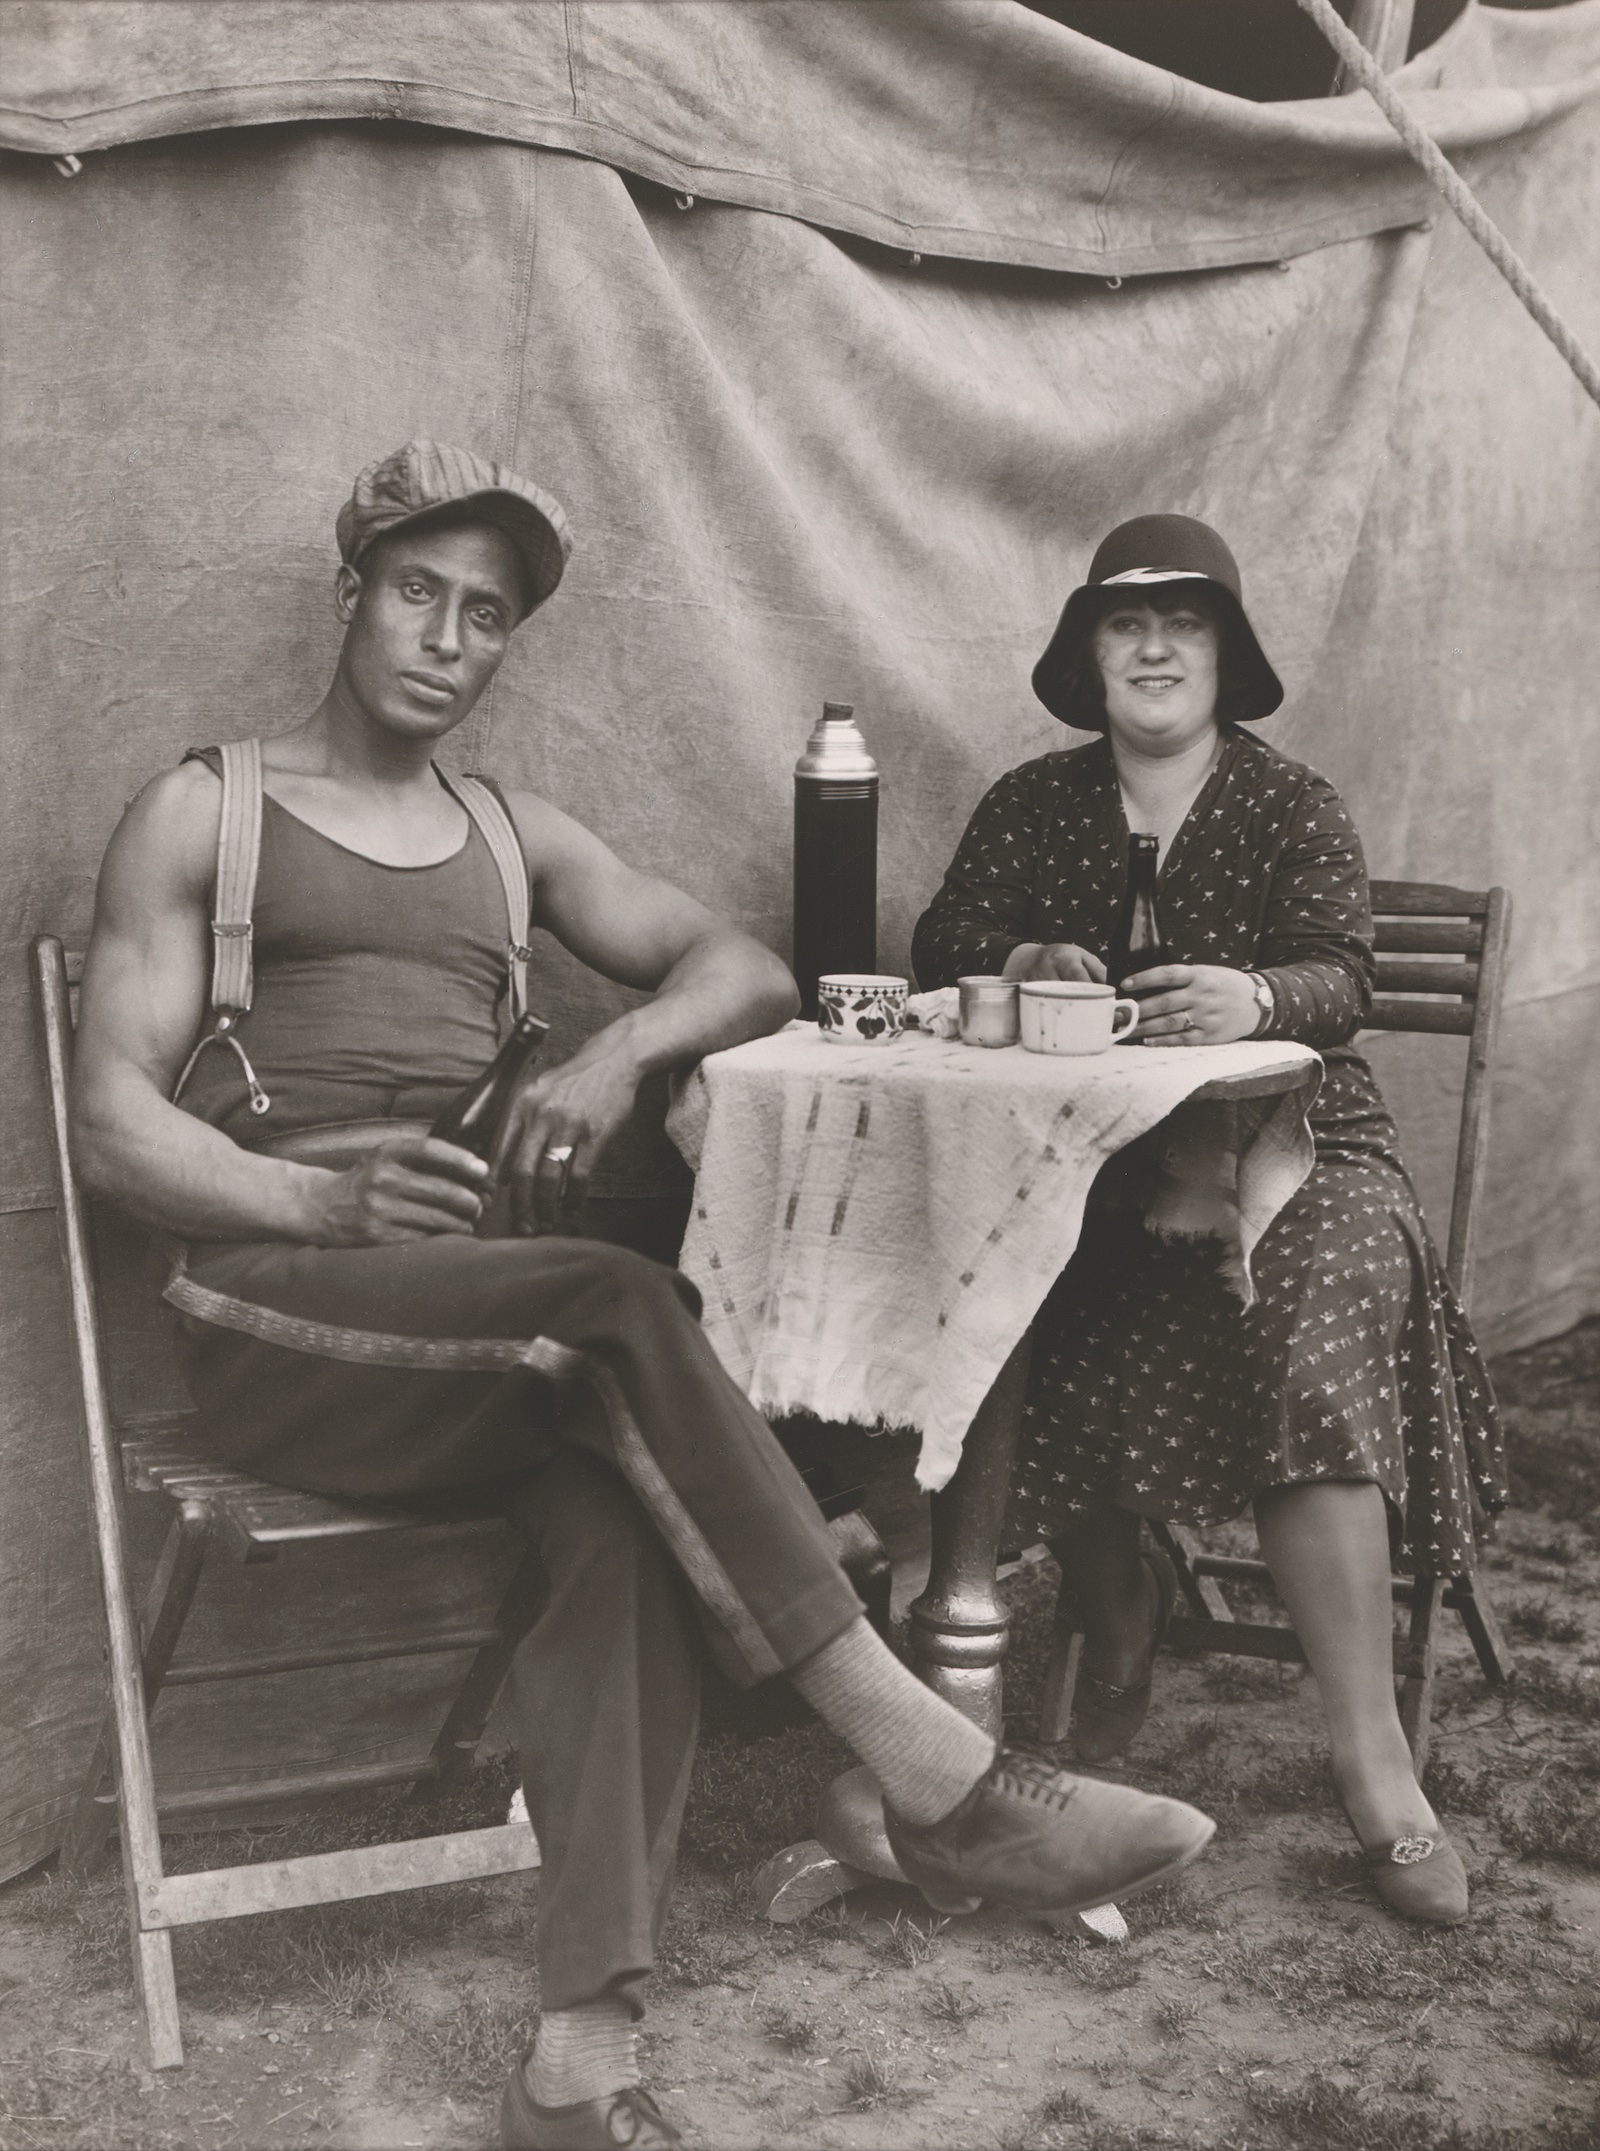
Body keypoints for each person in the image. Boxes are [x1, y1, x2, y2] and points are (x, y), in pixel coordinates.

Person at [71, 446, 1215, 2151]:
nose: (448, 638)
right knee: (620, 1302)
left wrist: (621, 1049)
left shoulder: (507, 833)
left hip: (480, 1333)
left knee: (617, 1524)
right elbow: (104, 1123)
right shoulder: (208, 812)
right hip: (272, 1311)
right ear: (349, 596)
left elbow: (745, 964)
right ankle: (937, 1773)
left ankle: (578, 2060)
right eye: (418, 593)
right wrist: (313, 1190)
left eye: (488, 615)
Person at [912, 513, 1506, 1931]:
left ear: (1228, 658)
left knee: (1311, 1319)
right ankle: (1119, 1621)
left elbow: (1346, 977)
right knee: (1019, 1306)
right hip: (1103, 1168)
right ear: (1092, 655)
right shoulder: (1034, 805)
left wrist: (1259, 996)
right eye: (1129, 624)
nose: (1158, 646)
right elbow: (940, 943)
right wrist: (1017, 956)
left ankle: (1371, 1759)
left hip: (1304, 1152)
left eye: (1188, 625)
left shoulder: (1294, 805)